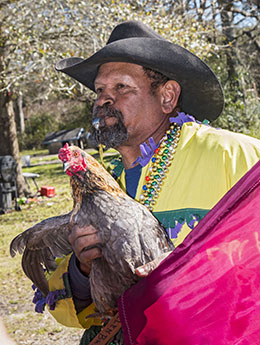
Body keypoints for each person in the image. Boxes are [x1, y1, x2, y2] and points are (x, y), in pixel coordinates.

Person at [33, 21, 260, 342]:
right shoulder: (97, 182)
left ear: (167, 96)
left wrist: (188, 274)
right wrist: (83, 271)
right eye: (99, 90)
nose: (103, 100)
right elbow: (65, 307)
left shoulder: (235, 155)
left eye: (121, 88)